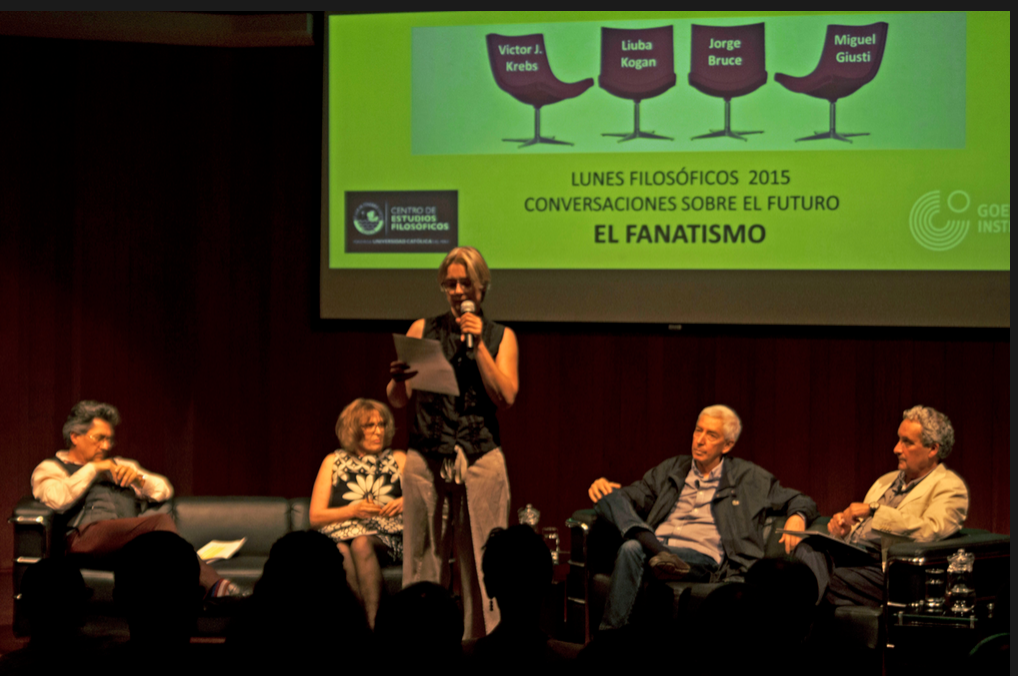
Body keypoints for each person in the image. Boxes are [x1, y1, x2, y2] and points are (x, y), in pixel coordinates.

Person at [588, 404, 818, 629]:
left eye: (711, 435)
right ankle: (654, 547)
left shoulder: (750, 478)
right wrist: (605, 489)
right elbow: (632, 495)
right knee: (609, 498)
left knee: (631, 547)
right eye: (698, 430)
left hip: (701, 559)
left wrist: (797, 516)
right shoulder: (672, 469)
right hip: (656, 549)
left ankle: (610, 638)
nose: (700, 440)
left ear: (727, 445)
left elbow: (801, 500)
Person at [387, 246, 519, 638]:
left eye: (465, 283)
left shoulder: (501, 336)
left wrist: (478, 346)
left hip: (480, 454)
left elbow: (506, 396)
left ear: (482, 287)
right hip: (426, 455)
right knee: (422, 560)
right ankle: (417, 643)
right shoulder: (422, 328)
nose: (458, 291)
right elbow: (398, 399)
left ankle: (482, 646)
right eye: (450, 284)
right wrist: (397, 380)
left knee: (484, 561)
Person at [30, 400, 235, 597]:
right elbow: (57, 500)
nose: (106, 446)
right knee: (161, 524)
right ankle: (213, 585)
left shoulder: (119, 465)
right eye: (99, 438)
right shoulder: (51, 468)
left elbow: (163, 490)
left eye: (109, 439)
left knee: (160, 552)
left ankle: (187, 600)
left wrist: (138, 479)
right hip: (85, 539)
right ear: (75, 437)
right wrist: (93, 468)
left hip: (125, 544)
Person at [795, 405, 969, 606]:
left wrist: (875, 511)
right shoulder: (885, 481)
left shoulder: (950, 486)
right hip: (854, 557)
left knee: (826, 580)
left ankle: (797, 621)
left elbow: (931, 530)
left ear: (933, 449)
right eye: (898, 440)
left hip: (888, 570)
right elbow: (859, 529)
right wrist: (842, 532)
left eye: (907, 442)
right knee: (806, 551)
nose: (896, 449)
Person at [309, 398, 405, 628]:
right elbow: (315, 517)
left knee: (361, 543)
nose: (378, 431)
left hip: (386, 537)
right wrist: (352, 510)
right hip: (341, 536)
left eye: (381, 425)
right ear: (353, 430)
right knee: (339, 551)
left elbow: (428, 499)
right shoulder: (333, 461)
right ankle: (358, 627)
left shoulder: (398, 459)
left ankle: (372, 626)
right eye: (369, 425)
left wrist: (407, 501)